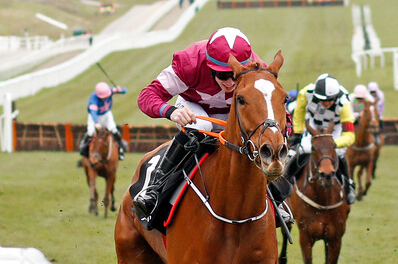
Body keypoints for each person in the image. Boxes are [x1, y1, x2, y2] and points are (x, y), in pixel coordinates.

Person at [132, 27, 292, 226]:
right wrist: (171, 111)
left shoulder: (257, 69)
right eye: (221, 75)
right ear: (208, 65)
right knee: (202, 125)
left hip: (235, 111)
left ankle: (276, 199)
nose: (229, 82)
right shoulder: (188, 63)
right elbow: (147, 96)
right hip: (194, 109)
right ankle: (155, 190)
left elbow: (274, 110)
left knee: (255, 138)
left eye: (234, 76)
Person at [276, 73, 357, 205]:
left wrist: (332, 144)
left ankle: (348, 185)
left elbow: (350, 135)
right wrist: (297, 132)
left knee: (340, 152)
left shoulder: (344, 103)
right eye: (322, 100)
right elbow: (299, 111)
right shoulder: (306, 93)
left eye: (329, 100)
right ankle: (285, 181)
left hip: (335, 130)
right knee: (302, 149)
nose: (326, 103)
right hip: (313, 124)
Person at [80, 82, 129, 160]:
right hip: (95, 116)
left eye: (107, 96)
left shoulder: (109, 91)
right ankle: (84, 149)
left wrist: (120, 90)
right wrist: (96, 123)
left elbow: (125, 91)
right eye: (103, 97)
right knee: (90, 132)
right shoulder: (93, 98)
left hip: (106, 114)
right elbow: (93, 112)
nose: (106, 98)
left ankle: (121, 149)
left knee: (114, 130)